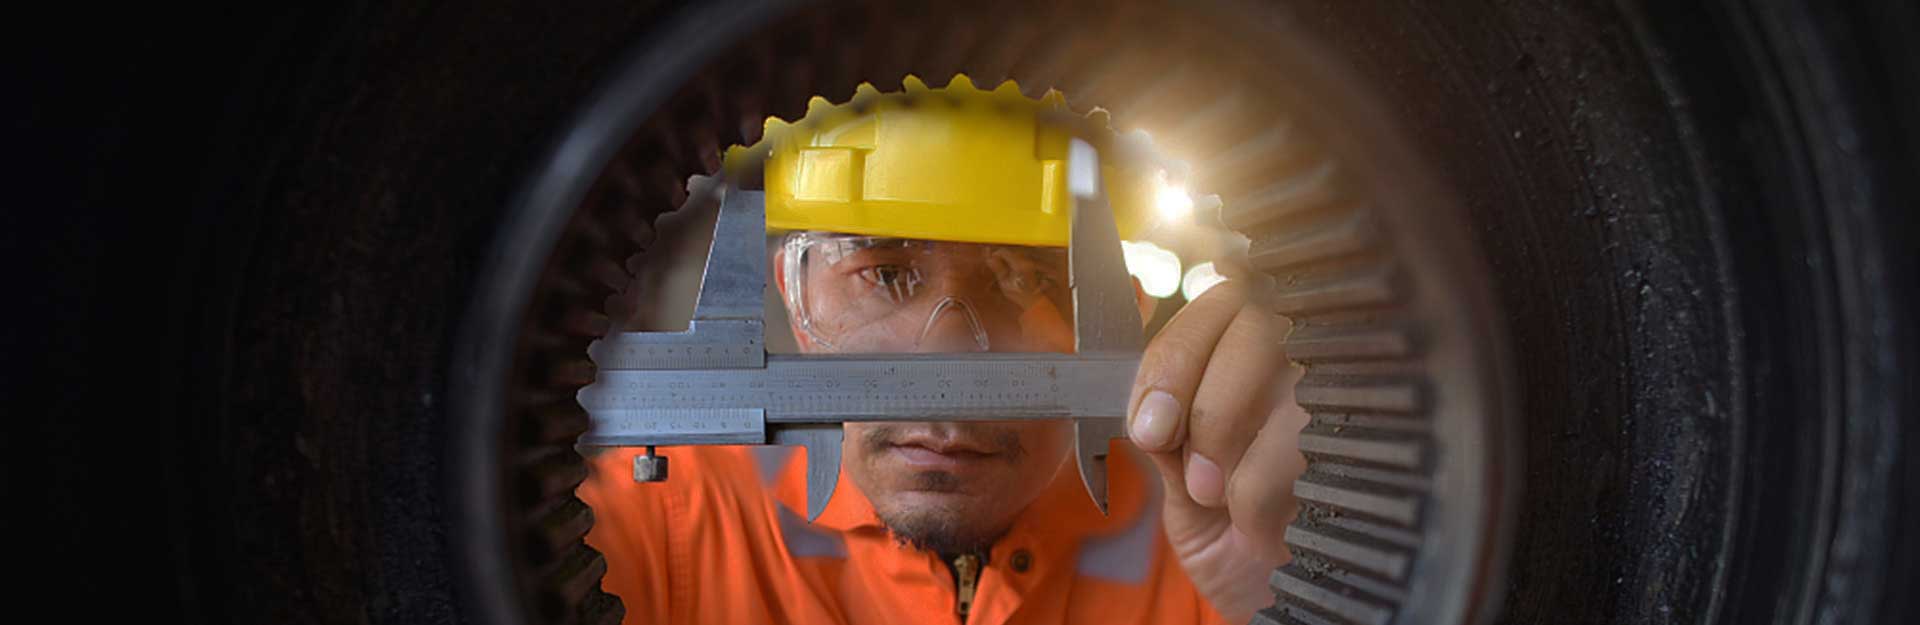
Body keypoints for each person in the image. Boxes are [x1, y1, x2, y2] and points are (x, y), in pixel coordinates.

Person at [577, 75, 1308, 625]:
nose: (947, 362)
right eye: (884, 274)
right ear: (797, 305)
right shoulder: (655, 521)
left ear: (1125, 322)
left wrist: (1288, 597)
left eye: (1023, 278)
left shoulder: (1223, 534)